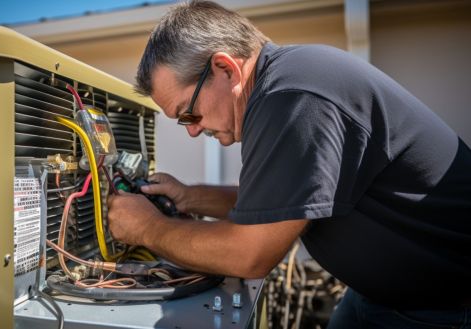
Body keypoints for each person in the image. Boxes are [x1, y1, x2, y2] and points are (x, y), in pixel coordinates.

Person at [106, 1, 471, 327]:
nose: (193, 130)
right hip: (380, 297)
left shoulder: (293, 98)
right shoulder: (288, 81)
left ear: (225, 69)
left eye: (189, 114)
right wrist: (188, 197)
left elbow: (249, 254)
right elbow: (279, 207)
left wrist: (147, 229)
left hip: (443, 308)